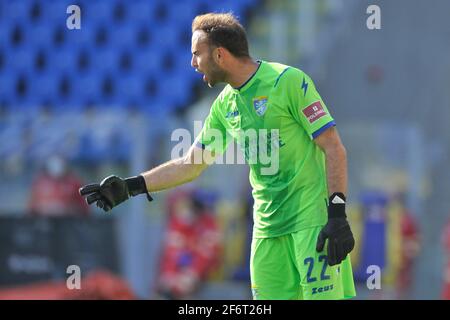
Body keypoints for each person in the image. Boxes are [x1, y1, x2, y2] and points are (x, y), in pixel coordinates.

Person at [79, 12, 355, 300]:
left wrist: (337, 215)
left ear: (220, 55)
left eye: (197, 54)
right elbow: (191, 164)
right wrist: (131, 186)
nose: (193, 63)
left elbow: (333, 147)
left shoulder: (288, 82)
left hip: (312, 223)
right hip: (267, 233)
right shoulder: (225, 105)